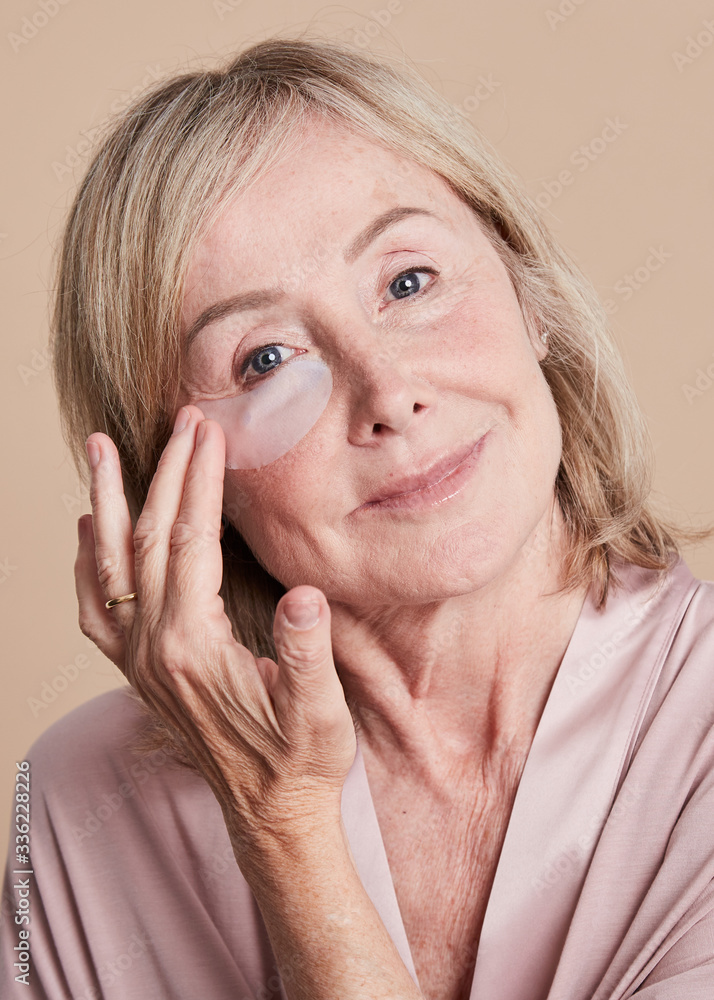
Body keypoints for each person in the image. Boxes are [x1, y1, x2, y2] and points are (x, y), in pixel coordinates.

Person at [2, 33, 714, 1000]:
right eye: (266, 360)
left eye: (408, 282)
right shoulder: (69, 806)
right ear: (173, 479)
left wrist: (282, 831)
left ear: (529, 292)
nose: (387, 392)